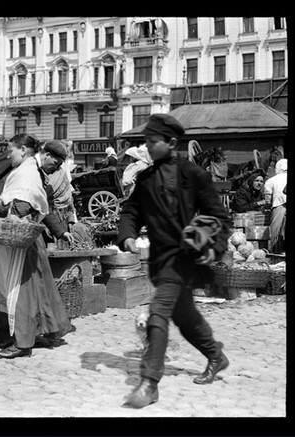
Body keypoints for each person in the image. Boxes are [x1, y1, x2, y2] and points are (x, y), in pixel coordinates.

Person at [117, 114, 230, 409]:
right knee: (184, 317)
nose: (148, 146)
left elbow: (220, 216)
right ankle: (216, 356)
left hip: (186, 258)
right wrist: (128, 234)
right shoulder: (145, 178)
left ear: (171, 143)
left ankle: (149, 382)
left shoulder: (194, 175)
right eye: (146, 141)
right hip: (161, 258)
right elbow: (131, 212)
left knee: (158, 312)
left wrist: (214, 246)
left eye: (153, 142)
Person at [0, 134, 71, 359]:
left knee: (20, 290)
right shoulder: (27, 170)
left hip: (21, 239)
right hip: (26, 238)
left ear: (24, 150)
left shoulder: (27, 172)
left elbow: (22, 208)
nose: (9, 154)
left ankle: (22, 341)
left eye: (12, 150)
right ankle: (38, 332)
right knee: (34, 286)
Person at [263, 158, 287, 253]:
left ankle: (275, 252)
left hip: (278, 205)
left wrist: (267, 207)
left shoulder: (271, 180)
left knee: (275, 230)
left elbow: (268, 198)